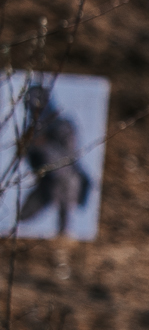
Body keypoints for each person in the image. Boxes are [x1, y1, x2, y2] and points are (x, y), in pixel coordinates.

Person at [16, 83, 91, 237]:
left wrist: (43, 144)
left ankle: (64, 235)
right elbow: (26, 157)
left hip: (67, 180)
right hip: (46, 182)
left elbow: (68, 158)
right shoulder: (31, 132)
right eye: (30, 104)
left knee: (66, 190)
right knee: (22, 217)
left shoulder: (63, 125)